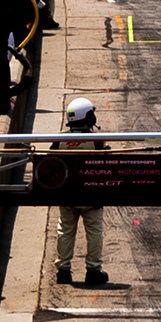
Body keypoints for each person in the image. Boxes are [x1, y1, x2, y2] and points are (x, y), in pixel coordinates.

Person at [52, 96, 106, 287]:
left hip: (66, 194)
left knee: (65, 230)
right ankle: (93, 270)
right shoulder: (96, 141)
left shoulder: (60, 139)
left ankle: (63, 270)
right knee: (94, 232)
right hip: (91, 195)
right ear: (88, 117)